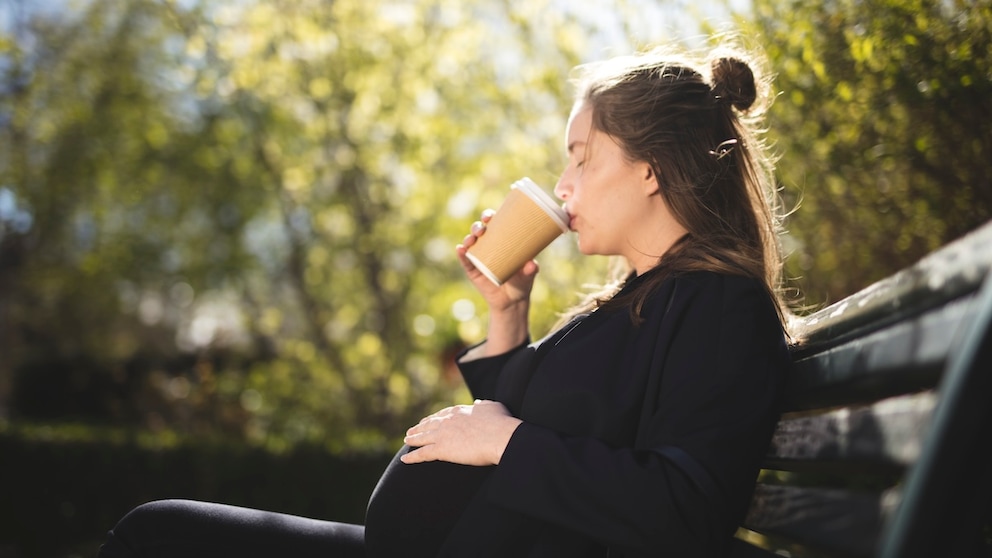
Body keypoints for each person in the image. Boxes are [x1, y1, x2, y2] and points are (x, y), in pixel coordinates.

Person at [97, 40, 793, 558]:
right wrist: (507, 314)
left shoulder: (717, 307)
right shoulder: (636, 298)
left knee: (159, 538)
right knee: (159, 532)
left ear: (650, 167)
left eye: (582, 155)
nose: (564, 183)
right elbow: (549, 414)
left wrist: (504, 442)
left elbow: (685, 508)